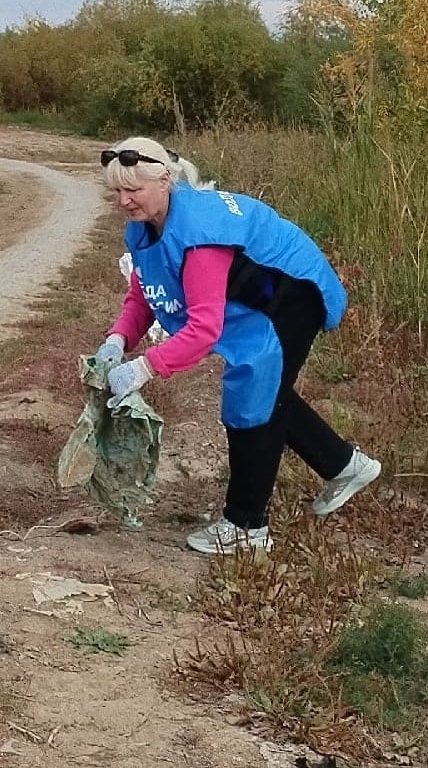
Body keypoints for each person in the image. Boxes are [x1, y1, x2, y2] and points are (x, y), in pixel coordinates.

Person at [89, 137, 381, 555]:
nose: (124, 201)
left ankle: (246, 527)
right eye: (116, 191)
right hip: (254, 298)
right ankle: (345, 466)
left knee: (252, 399)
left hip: (292, 295)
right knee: (266, 391)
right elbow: (146, 293)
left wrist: (144, 368)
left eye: (133, 190)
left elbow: (203, 329)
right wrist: (119, 339)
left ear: (165, 181)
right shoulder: (145, 229)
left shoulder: (200, 234)